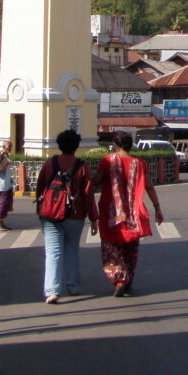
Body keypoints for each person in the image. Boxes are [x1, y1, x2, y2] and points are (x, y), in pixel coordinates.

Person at [93, 131, 164, 297]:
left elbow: (97, 181)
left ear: (115, 144)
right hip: (133, 215)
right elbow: (149, 186)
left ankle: (120, 279)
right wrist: (157, 207)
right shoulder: (139, 163)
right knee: (130, 250)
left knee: (111, 249)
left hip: (111, 214)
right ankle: (128, 280)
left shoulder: (107, 161)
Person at [35, 130, 97, 305]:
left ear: (59, 145)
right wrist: (94, 218)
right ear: (76, 146)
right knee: (72, 250)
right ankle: (73, 286)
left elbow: (40, 188)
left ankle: (52, 291)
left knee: (52, 252)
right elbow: (88, 195)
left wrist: (42, 210)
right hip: (75, 214)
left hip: (50, 214)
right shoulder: (82, 166)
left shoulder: (50, 163)